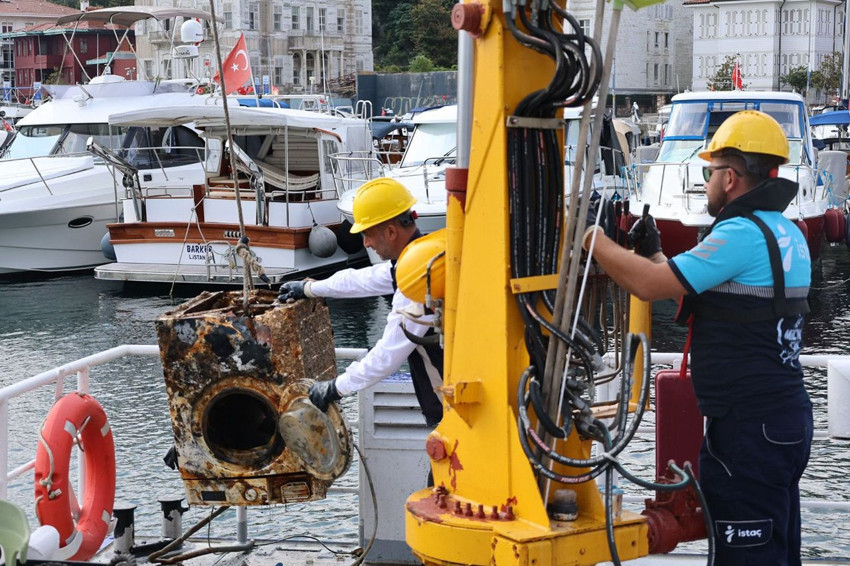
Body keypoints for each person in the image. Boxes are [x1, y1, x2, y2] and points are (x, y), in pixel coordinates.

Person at [583, 110, 813, 566]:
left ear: (730, 178)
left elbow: (649, 287)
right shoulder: (789, 232)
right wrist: (652, 252)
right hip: (782, 421)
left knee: (745, 555)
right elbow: (705, 290)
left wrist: (591, 238)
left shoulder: (739, 234)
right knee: (778, 548)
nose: (706, 182)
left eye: (709, 172)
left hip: (749, 430)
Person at [278, 177, 444, 427]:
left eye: (368, 234)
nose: (365, 243)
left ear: (390, 231)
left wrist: (335, 388)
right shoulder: (424, 256)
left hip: (452, 412)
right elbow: (365, 278)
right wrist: (309, 288)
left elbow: (387, 355)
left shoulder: (419, 281)